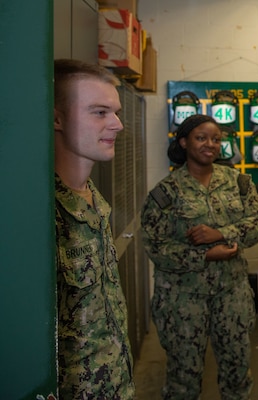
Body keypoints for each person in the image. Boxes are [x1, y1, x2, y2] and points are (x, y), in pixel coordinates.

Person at [140, 114, 258, 399]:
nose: (210, 144)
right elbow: (156, 246)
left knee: (237, 373)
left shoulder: (239, 183)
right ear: (184, 142)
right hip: (183, 300)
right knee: (183, 380)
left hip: (230, 294)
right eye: (201, 138)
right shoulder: (166, 193)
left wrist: (220, 234)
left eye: (216, 139)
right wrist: (206, 255)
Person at [54, 59, 135, 399]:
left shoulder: (93, 200)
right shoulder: (40, 214)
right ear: (56, 117)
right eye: (100, 112)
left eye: (115, 112)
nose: (117, 124)